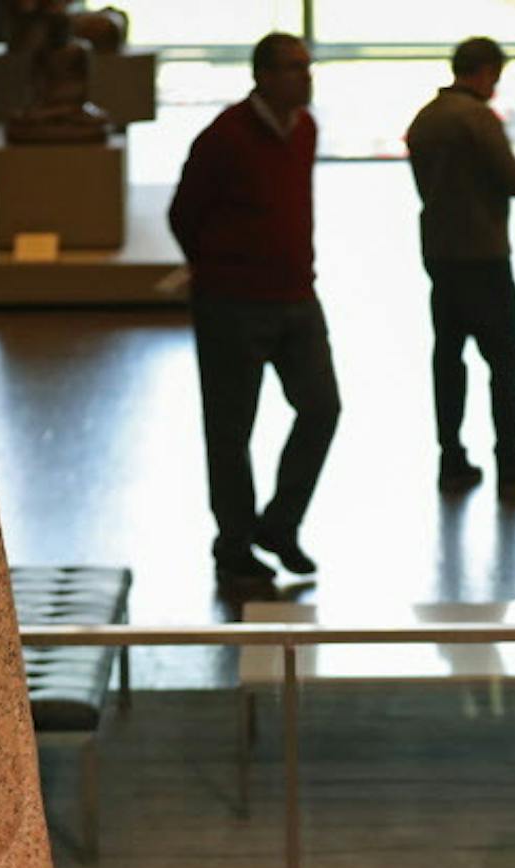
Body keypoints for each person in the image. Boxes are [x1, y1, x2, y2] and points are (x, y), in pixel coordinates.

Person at [167, 32, 339, 592]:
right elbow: (183, 214)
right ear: (263, 75)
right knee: (230, 429)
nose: (305, 77)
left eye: (307, 67)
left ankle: (279, 526)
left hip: (296, 297)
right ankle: (235, 546)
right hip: (232, 305)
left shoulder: (306, 129)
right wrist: (220, 271)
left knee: (321, 408)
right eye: (293, 68)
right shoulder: (225, 138)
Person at [406, 37, 515, 495]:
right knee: (503, 358)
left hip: (440, 252)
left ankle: (451, 457)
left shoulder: (425, 117)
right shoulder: (477, 118)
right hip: (484, 255)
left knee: (448, 356)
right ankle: (510, 462)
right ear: (486, 71)